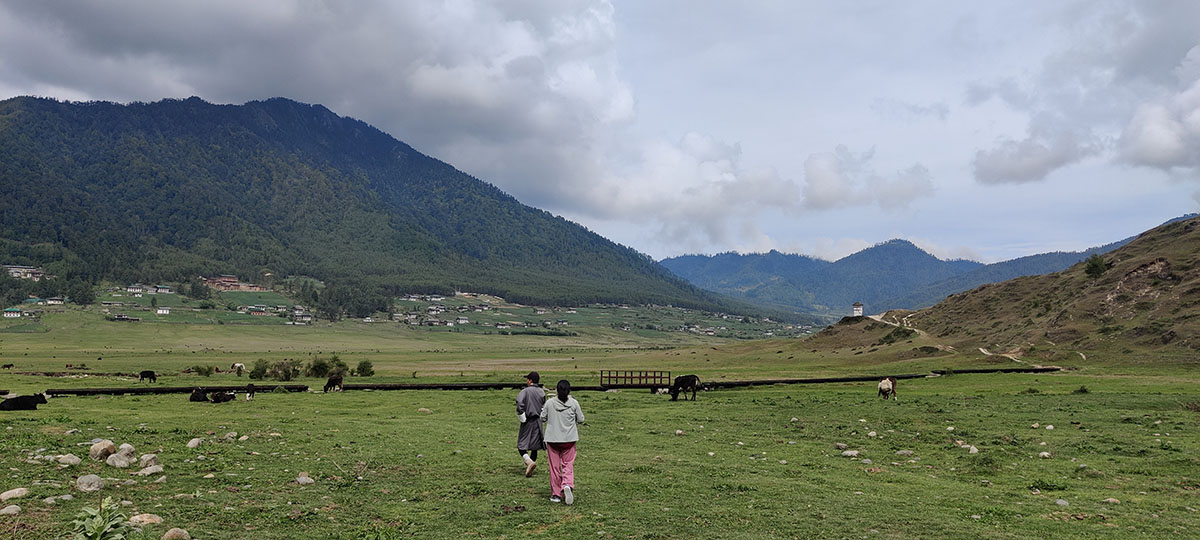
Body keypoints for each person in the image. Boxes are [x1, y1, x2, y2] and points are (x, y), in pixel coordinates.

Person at [540, 379, 585, 505]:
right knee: (568, 464)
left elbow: (542, 418)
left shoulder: (549, 403)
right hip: (569, 440)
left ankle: (556, 494)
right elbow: (581, 419)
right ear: (569, 390)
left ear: (556, 390)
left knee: (554, 467)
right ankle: (567, 484)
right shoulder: (574, 403)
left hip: (553, 440)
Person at [516, 371, 546, 477]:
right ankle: (530, 466)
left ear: (530, 381)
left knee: (521, 445)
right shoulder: (541, 392)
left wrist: (521, 414)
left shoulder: (525, 391)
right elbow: (544, 405)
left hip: (528, 420)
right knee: (535, 446)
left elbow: (519, 403)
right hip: (538, 420)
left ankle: (528, 462)